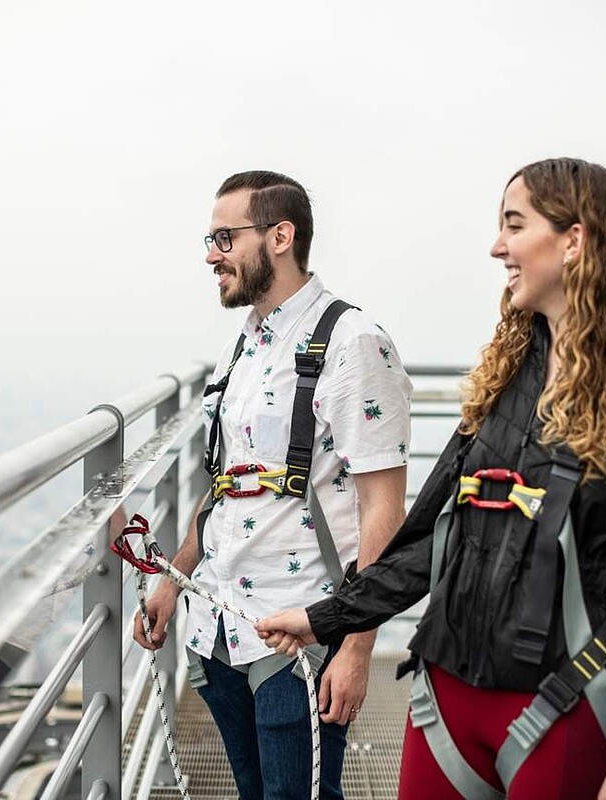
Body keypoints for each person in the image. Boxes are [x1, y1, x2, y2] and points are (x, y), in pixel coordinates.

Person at [257, 158, 606, 800]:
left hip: (563, 707)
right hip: (443, 700)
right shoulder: (510, 372)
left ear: (575, 239)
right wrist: (325, 618)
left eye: (515, 225)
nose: (497, 246)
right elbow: (430, 537)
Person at [133, 170, 413, 799]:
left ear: (280, 237)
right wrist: (172, 581)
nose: (211, 255)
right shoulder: (247, 345)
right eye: (209, 240)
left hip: (301, 631)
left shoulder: (354, 343)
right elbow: (230, 482)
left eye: (224, 238)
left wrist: (358, 648)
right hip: (218, 622)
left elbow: (383, 511)